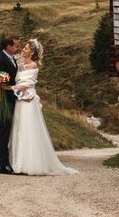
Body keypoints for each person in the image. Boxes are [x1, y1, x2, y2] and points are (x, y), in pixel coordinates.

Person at [9, 38, 78, 175]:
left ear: (32, 52)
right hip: (20, 100)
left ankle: (31, 164)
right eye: (23, 47)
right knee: (19, 128)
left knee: (29, 128)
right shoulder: (20, 65)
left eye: (26, 48)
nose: (23, 49)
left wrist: (9, 88)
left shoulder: (33, 66)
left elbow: (27, 84)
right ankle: (19, 163)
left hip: (28, 99)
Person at [0, 34, 25, 174]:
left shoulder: (12, 59)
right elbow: (3, 84)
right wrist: (17, 94)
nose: (18, 48)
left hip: (12, 100)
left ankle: (12, 161)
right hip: (3, 101)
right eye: (16, 46)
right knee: (4, 132)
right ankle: (3, 165)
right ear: (9, 47)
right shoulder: (0, 61)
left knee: (11, 131)